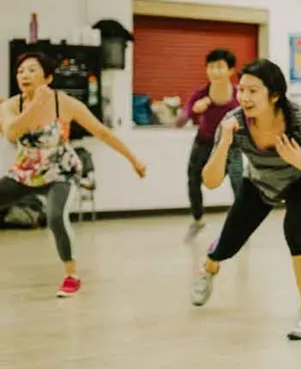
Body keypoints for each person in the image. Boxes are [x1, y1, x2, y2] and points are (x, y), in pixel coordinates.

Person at [189, 59, 301, 340]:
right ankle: (209, 266)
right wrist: (224, 142)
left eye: (253, 91)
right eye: (242, 90)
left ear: (274, 95)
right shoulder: (234, 124)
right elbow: (210, 181)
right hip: (260, 182)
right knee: (228, 244)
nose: (245, 98)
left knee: (295, 231)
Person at [0, 52, 147, 297]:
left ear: (47, 77)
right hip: (26, 172)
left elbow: (102, 132)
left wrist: (133, 160)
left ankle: (71, 275)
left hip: (61, 171)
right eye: (20, 71)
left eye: (32, 70)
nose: (24, 75)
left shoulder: (63, 103)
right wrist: (35, 104)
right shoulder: (11, 106)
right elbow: (11, 133)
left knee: (55, 216)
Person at [175, 49, 243, 241]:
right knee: (193, 178)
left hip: (231, 145)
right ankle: (198, 219)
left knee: (239, 183)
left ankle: (240, 222)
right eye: (211, 67)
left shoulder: (239, 95)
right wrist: (193, 110)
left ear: (231, 70)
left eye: (220, 66)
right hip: (204, 142)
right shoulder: (201, 94)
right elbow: (179, 122)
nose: (215, 71)